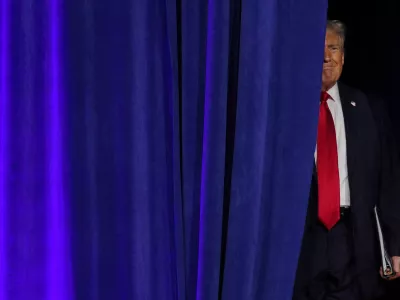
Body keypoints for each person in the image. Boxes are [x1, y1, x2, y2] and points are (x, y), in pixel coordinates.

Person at [293, 20, 400, 300]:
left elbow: (388, 183)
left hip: (352, 239)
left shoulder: (368, 108)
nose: (327, 56)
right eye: (319, 48)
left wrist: (395, 246)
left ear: (343, 55)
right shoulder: (286, 109)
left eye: (334, 48)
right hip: (303, 241)